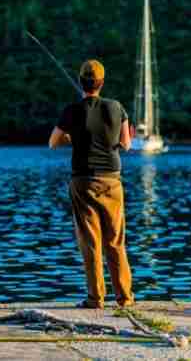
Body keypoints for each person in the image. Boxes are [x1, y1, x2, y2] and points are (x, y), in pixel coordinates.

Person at [49, 59, 134, 309]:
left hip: (83, 181)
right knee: (115, 240)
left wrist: (73, 137)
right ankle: (125, 298)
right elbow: (126, 144)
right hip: (112, 181)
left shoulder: (72, 110)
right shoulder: (117, 108)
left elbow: (53, 142)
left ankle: (96, 298)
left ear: (81, 82)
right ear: (102, 82)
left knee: (90, 241)